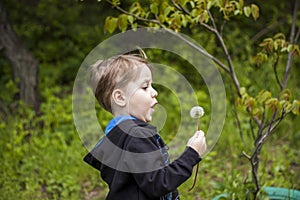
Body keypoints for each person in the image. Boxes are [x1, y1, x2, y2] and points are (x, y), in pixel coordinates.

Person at [83, 54, 207, 200]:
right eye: (145, 87)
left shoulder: (115, 135)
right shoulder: (136, 136)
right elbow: (159, 183)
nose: (155, 92)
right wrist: (192, 154)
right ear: (120, 98)